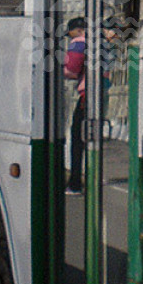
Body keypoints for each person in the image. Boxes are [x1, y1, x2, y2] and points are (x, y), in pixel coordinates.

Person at [63, 17, 86, 192]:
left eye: (70, 34)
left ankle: (75, 182)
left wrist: (62, 70)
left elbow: (71, 69)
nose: (70, 39)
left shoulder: (79, 42)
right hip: (102, 91)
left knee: (77, 138)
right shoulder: (99, 41)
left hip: (87, 95)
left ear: (77, 30)